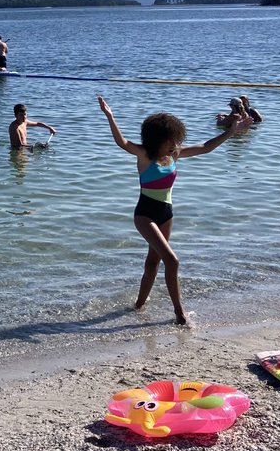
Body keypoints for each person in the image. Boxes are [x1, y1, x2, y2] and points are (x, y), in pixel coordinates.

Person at [97, 96, 247, 326]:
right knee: (173, 261)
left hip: (167, 213)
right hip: (145, 214)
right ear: (160, 139)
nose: (177, 143)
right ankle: (179, 313)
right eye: (173, 139)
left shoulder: (174, 154)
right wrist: (110, 116)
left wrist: (231, 132)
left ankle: (138, 305)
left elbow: (206, 148)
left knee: (153, 262)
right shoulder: (144, 155)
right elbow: (122, 142)